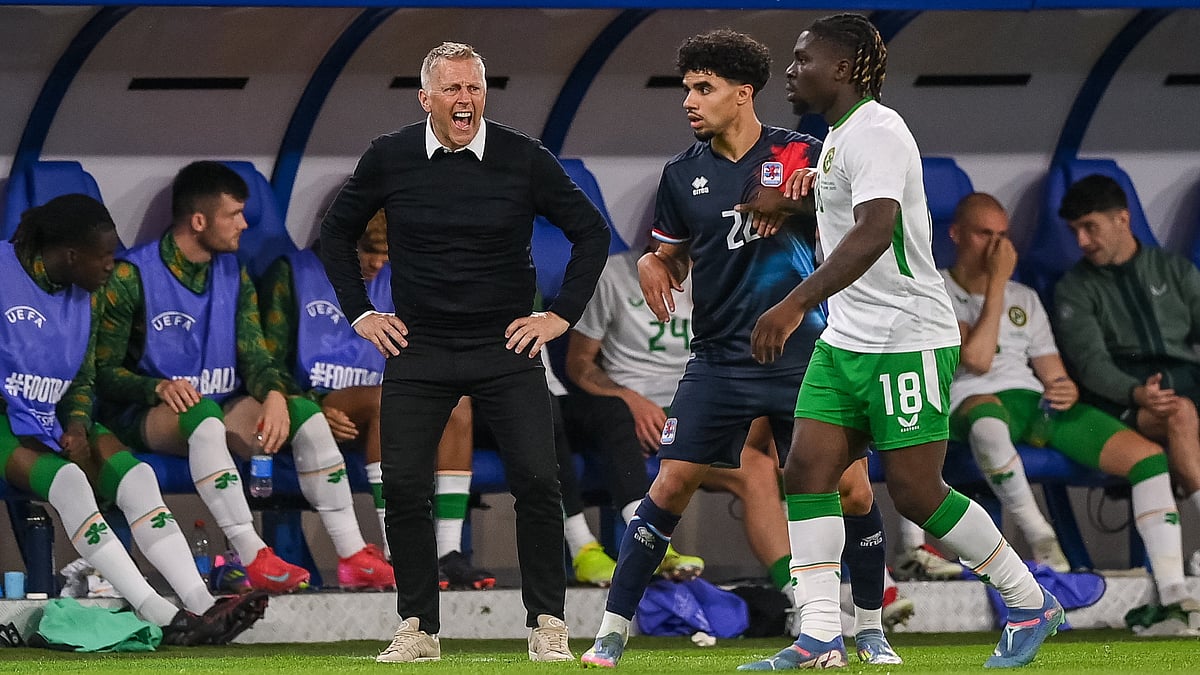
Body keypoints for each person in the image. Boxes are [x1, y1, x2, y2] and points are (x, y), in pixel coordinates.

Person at [738, 15, 1061, 670]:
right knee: (805, 471)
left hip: (906, 338)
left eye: (803, 59)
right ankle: (819, 636)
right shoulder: (835, 139)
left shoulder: (880, 131)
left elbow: (874, 231)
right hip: (849, 338)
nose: (792, 71)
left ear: (845, 69)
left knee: (916, 491)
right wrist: (798, 207)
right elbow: (849, 218)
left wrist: (794, 303)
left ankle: (1029, 600)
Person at [581, 30, 902, 669]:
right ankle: (612, 632)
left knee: (855, 492)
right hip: (721, 358)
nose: (690, 102)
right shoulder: (681, 175)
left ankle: (869, 630)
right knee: (669, 485)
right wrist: (654, 260)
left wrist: (796, 206)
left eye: (704, 89)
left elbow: (855, 232)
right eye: (687, 90)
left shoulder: (808, 153)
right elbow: (673, 253)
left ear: (743, 93)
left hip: (808, 355)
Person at [318, 42, 610, 664]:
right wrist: (362, 313)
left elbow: (591, 231)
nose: (465, 100)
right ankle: (418, 626)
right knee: (401, 485)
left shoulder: (522, 157)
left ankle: (548, 624)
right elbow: (335, 234)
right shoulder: (389, 156)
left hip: (505, 343)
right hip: (418, 345)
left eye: (474, 89)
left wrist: (559, 317)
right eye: (452, 89)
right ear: (426, 99)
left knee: (537, 479)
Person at [566, 246, 915, 632]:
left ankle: (808, 602)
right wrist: (628, 401)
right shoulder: (615, 273)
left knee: (782, 459)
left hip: (710, 405)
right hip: (635, 419)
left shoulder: (725, 271)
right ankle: (615, 627)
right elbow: (578, 365)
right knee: (773, 460)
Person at [95, 161, 394, 595]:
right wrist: (156, 386)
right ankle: (252, 555)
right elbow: (104, 374)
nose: (245, 224)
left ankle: (352, 556)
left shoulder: (234, 273)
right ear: (199, 221)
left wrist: (274, 393)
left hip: (217, 404)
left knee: (306, 415)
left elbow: (255, 354)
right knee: (205, 419)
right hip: (145, 411)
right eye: (233, 214)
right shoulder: (130, 275)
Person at [0, 194, 267, 645]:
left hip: (52, 416)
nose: (111, 266)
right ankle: (162, 614)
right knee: (70, 482)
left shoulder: (82, 295)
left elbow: (81, 377)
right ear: (70, 255)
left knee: (138, 477)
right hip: (4, 420)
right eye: (103, 257)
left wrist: (80, 425)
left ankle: (203, 607)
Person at [945, 193, 1196, 629]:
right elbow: (978, 361)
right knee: (987, 421)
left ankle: (1175, 591)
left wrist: (1063, 388)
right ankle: (1042, 537)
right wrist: (998, 284)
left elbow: (1051, 370)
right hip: (968, 401)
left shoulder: (1026, 297)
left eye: (1003, 236)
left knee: (1148, 459)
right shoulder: (935, 290)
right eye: (986, 234)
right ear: (957, 235)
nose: (996, 246)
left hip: (1031, 401)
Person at [258, 210, 492, 589]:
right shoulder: (291, 273)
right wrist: (311, 405)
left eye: (385, 253)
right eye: (369, 251)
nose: (377, 262)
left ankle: (447, 552)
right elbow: (266, 361)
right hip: (318, 401)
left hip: (386, 396)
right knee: (389, 402)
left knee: (457, 402)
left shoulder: (396, 278)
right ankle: (396, 551)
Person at [1053, 174, 1200, 576]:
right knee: (1180, 412)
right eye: (1075, 231)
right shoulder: (1074, 288)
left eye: (1090, 228)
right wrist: (1136, 393)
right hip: (1119, 397)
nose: (1082, 241)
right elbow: (1090, 365)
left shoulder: (1173, 270)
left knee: (1184, 404)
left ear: (1122, 219)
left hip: (1185, 378)